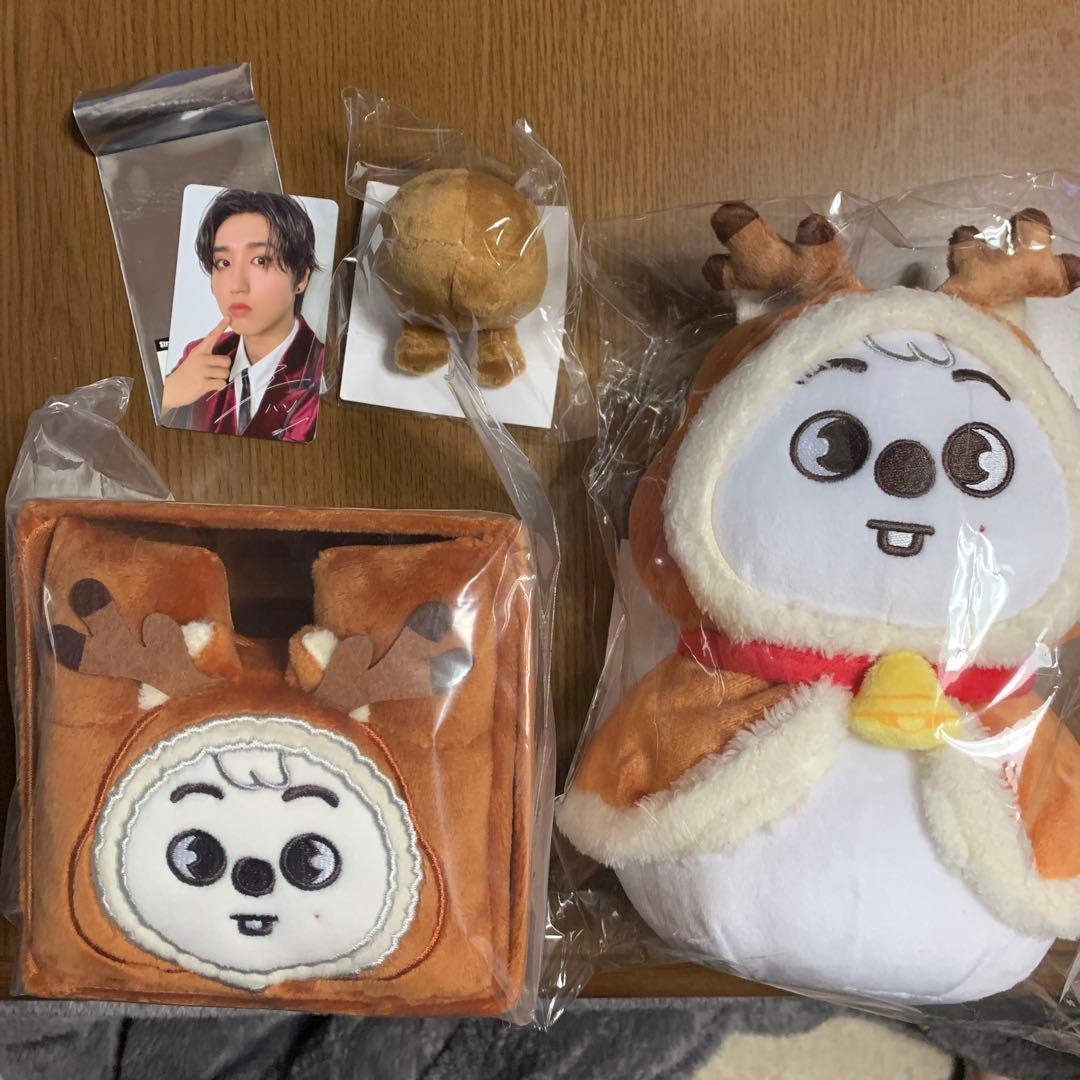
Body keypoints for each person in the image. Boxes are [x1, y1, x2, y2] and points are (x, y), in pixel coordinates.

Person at [162, 189, 323, 441]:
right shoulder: (201, 356)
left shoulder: (325, 370)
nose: (237, 285)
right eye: (223, 263)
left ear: (301, 277)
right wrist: (168, 394)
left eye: (260, 260)